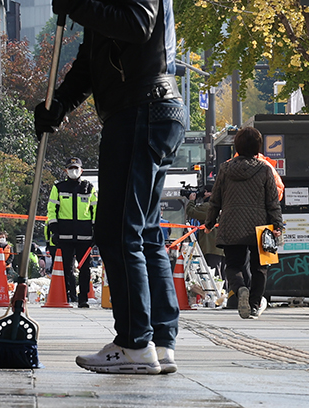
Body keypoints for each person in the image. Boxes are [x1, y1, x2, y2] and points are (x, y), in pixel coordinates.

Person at [34, 1, 185, 374]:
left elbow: (136, 23)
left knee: (118, 231)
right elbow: (91, 60)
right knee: (144, 233)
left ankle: (134, 343)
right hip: (148, 110)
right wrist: (61, 105)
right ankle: (159, 341)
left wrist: (77, 5)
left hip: (140, 109)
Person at [204, 127, 283, 320]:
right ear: (258, 147)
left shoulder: (225, 168)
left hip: (232, 224)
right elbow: (272, 201)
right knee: (260, 267)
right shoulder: (265, 169)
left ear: (236, 146)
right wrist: (277, 225)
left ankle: (240, 290)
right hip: (260, 227)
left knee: (233, 265)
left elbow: (216, 199)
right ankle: (254, 305)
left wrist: (209, 222)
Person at [46, 157, 97, 308]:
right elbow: (51, 210)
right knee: (66, 268)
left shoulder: (89, 188)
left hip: (85, 236)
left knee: (84, 269)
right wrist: (54, 230)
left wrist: (97, 232)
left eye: (76, 168)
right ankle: (68, 295)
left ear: (82, 170)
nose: (74, 171)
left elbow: (96, 211)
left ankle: (83, 299)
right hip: (65, 235)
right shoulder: (59, 188)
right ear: (66, 171)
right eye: (71, 168)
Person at [185, 185, 226, 288]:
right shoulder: (222, 205)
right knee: (222, 273)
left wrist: (191, 200)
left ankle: (218, 296)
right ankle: (225, 295)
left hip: (211, 246)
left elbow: (191, 212)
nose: (202, 194)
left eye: (204, 192)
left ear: (210, 193)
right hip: (222, 246)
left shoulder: (208, 206)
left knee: (213, 273)